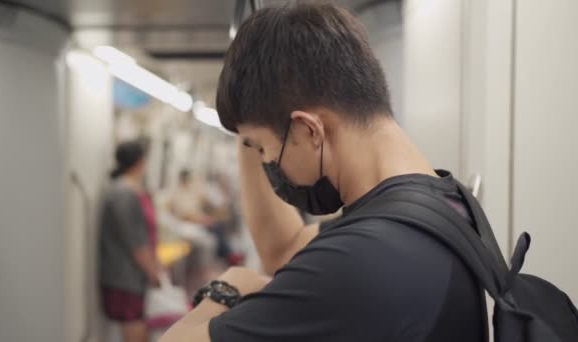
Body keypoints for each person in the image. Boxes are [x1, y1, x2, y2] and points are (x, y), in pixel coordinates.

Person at [161, 3, 486, 342]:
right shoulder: (440, 205)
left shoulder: (360, 259)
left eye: (261, 148)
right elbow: (283, 248)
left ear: (309, 130)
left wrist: (224, 290)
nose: (266, 162)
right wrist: (248, 111)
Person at [99, 140, 163, 342]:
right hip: (126, 278)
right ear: (140, 162)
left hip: (134, 276)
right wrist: (153, 272)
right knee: (135, 334)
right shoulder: (123, 194)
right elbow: (135, 242)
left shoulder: (132, 191)